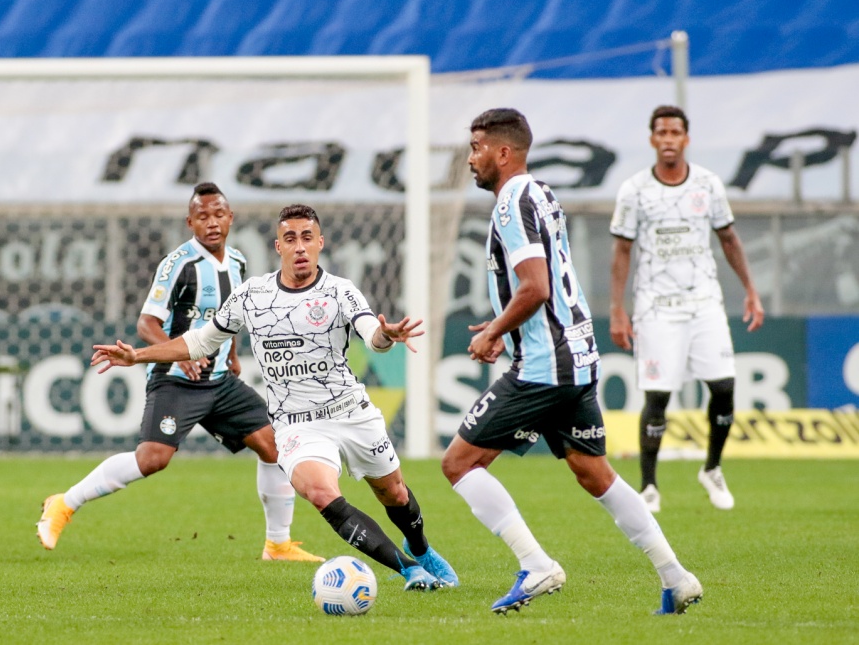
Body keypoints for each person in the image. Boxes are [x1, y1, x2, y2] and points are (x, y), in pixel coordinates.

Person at [91, 203, 457, 592]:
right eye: (289, 239)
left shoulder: (340, 291)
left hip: (351, 411)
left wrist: (387, 336)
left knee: (394, 493)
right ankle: (409, 571)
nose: (299, 247)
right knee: (319, 493)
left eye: (306, 238)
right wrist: (137, 355)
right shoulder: (252, 295)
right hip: (297, 424)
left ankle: (420, 549)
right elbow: (200, 341)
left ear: (320, 243)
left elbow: (372, 334)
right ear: (277, 246)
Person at [441, 108, 701, 615]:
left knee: (458, 463)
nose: (470, 159)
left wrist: (495, 329)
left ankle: (536, 565)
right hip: (576, 356)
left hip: (545, 366)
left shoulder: (512, 203)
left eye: (476, 148)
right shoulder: (538, 191)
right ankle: (676, 575)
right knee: (593, 472)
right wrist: (505, 331)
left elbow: (536, 287)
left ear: (502, 152)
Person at [37, 182, 323, 563]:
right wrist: (179, 356)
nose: (212, 223)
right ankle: (64, 503)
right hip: (177, 380)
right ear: (191, 222)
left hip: (220, 381)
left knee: (274, 445)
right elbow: (146, 323)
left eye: (219, 214)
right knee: (152, 459)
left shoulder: (237, 263)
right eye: (202, 216)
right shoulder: (178, 264)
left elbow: (230, 316)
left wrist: (234, 354)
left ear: (230, 218)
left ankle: (278, 545)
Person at [610, 105, 765, 513]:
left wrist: (750, 289)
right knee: (658, 395)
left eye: (675, 132)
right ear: (652, 139)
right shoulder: (634, 190)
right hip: (656, 306)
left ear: (685, 138)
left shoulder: (709, 185)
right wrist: (617, 310)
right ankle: (648, 486)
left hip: (704, 302)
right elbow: (622, 250)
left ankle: (711, 468)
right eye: (660, 132)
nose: (667, 139)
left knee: (725, 389)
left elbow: (729, 239)